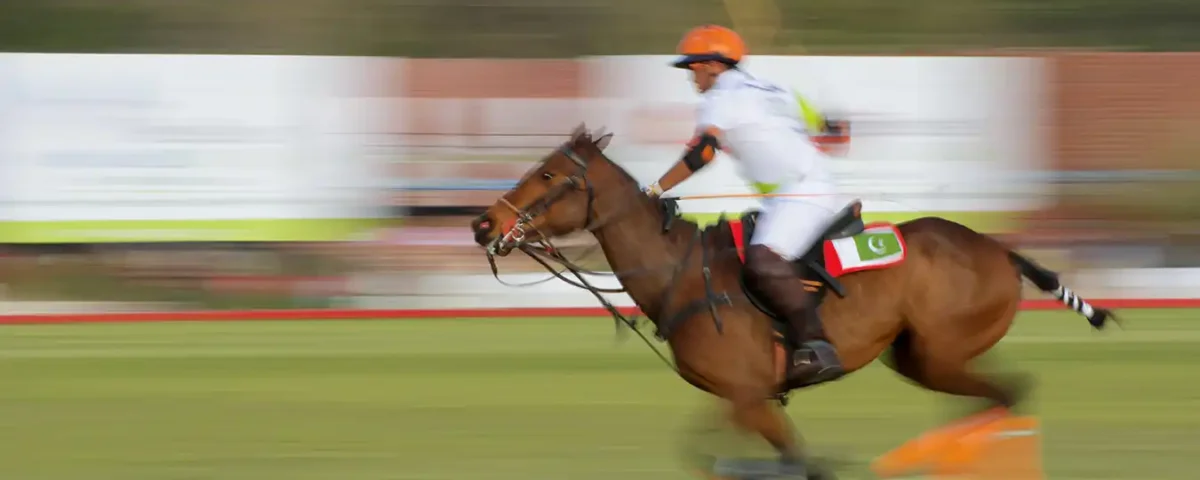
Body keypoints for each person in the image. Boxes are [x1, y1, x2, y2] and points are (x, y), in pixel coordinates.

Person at [642, 24, 845, 385]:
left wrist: (655, 190)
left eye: (693, 67)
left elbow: (703, 154)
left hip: (802, 194)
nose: (691, 76)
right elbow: (834, 130)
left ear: (713, 66)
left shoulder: (720, 98)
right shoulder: (776, 89)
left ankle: (816, 346)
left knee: (762, 260)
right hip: (796, 192)